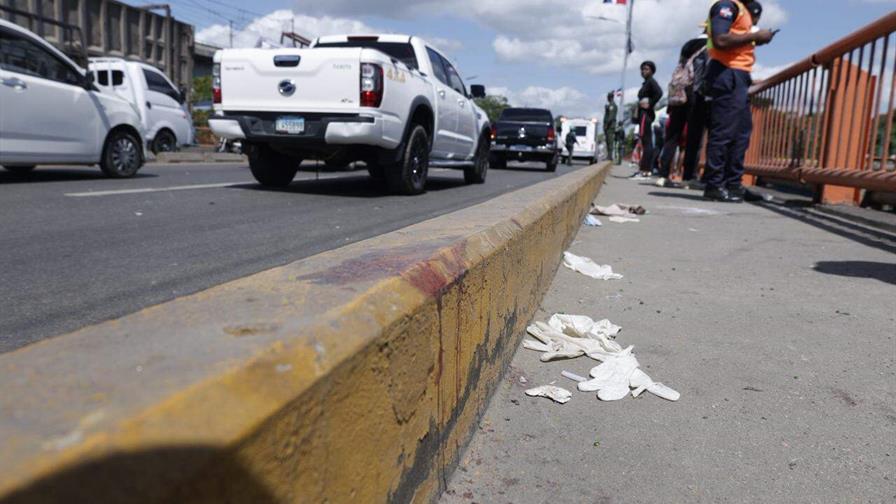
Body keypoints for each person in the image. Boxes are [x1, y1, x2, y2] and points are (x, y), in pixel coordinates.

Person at [702, 0, 776, 202]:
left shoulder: (741, 9)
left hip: (739, 75)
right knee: (724, 132)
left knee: (741, 133)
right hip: (728, 72)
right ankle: (714, 185)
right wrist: (755, 36)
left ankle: (733, 185)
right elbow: (721, 40)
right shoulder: (727, 6)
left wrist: (754, 38)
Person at [657, 34, 708, 188]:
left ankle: (663, 175)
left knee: (672, 137)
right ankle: (688, 177)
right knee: (694, 138)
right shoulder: (706, 47)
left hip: (678, 96)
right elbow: (701, 73)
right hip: (693, 94)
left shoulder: (687, 47)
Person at [633, 61, 663, 177]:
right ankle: (645, 169)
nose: (644, 71)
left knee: (647, 142)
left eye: (646, 69)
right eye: (642, 69)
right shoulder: (646, 83)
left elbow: (659, 93)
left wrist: (650, 103)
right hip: (643, 114)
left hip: (646, 114)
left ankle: (645, 170)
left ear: (652, 71)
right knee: (645, 141)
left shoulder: (651, 82)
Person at [604, 92, 618, 164]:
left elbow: (611, 117)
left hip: (610, 126)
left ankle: (610, 156)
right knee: (608, 140)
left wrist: (606, 125)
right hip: (608, 126)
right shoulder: (610, 105)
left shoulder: (612, 105)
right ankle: (609, 156)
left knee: (610, 141)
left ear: (610, 97)